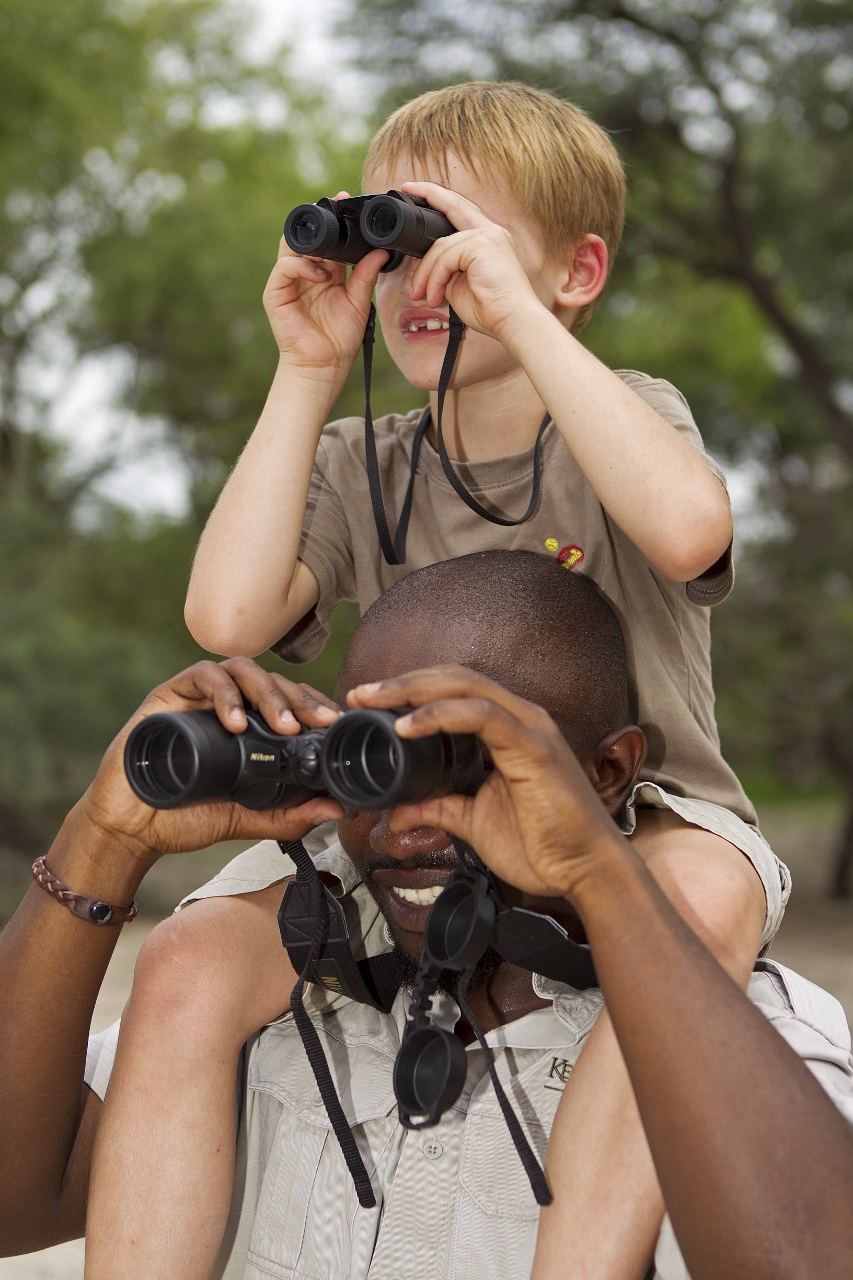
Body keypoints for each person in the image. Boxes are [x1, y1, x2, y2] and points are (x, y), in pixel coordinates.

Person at [98, 79, 789, 1276]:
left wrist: (522, 321)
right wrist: (309, 364)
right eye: (392, 234)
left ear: (574, 273)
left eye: (453, 240)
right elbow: (225, 613)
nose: (419, 277)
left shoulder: (625, 416)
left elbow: (688, 531)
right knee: (187, 957)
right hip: (409, 814)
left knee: (704, 904)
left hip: (639, 815)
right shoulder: (362, 459)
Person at [1, 553, 852, 1280]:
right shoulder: (252, 1014)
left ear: (605, 772)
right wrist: (103, 839)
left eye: (455, 758)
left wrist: (595, 871)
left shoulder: (741, 1056)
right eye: (369, 756)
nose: (404, 819)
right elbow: (11, 1205)